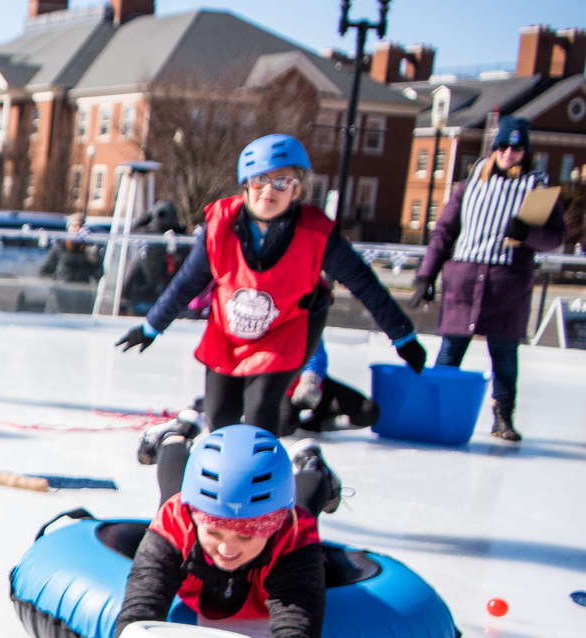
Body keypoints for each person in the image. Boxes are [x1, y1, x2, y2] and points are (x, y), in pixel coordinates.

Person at [117, 134, 425, 513]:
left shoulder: (317, 233)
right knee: (221, 419)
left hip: (286, 329)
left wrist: (403, 335)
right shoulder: (220, 225)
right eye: (260, 180)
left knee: (262, 413)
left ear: (298, 189)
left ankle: (263, 507)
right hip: (229, 331)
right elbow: (187, 283)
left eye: (282, 182)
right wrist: (151, 326)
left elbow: (364, 283)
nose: (269, 190)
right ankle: (215, 501)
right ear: (246, 184)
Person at [113, 425, 325, 638]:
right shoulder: (176, 523)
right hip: (194, 565)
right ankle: (175, 437)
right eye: (213, 531)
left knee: (304, 504)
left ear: (272, 527)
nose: (227, 548)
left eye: (246, 535)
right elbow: (139, 613)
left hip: (268, 574)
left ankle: (312, 465)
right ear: (195, 517)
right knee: (171, 491)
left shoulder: (293, 537)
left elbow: (297, 636)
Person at [411, 116, 568, 442]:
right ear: (494, 147)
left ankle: (502, 416)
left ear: (526, 151)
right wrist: (426, 275)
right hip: (464, 282)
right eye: (503, 146)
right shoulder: (469, 186)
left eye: (516, 147)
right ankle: (434, 411)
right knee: (450, 351)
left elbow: (555, 239)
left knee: (505, 356)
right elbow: (444, 232)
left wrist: (528, 233)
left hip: (506, 286)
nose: (508, 153)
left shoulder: (536, 190)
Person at [38, 212, 102, 314]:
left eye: (81, 226)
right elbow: (43, 272)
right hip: (60, 301)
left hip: (81, 301)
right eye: (75, 226)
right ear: (68, 228)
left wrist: (95, 259)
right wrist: (56, 284)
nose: (78, 229)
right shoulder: (59, 248)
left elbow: (98, 275)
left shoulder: (88, 250)